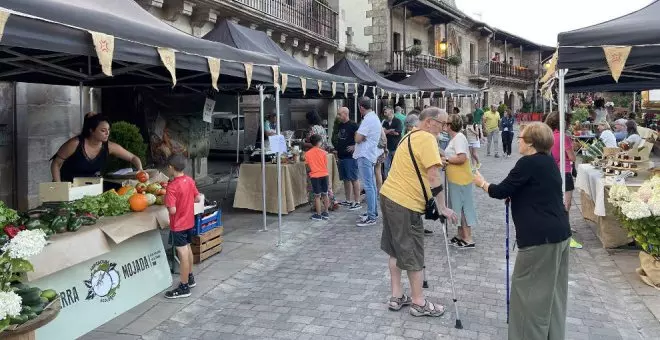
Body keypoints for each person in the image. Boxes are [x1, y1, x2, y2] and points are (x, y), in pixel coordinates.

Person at [473, 122, 571, 340]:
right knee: (553, 295)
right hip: (560, 234)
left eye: (521, 137)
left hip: (540, 240)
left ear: (530, 143)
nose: (517, 140)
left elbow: (500, 190)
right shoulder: (548, 162)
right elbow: (536, 191)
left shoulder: (527, 163)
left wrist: (481, 183)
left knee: (528, 296)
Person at [380, 107, 457, 317]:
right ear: (430, 122)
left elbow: (418, 164)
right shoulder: (427, 139)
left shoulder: (409, 136)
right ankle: (418, 302)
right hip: (405, 202)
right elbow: (433, 177)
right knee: (413, 251)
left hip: (389, 195)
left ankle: (397, 296)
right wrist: (442, 207)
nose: (444, 129)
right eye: (442, 124)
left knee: (395, 249)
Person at [51, 114, 143, 182]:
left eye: (108, 130)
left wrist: (140, 171)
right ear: (91, 130)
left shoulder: (110, 146)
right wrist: (59, 186)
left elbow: (133, 157)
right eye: (103, 130)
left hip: (91, 187)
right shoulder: (75, 143)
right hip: (68, 185)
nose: (107, 133)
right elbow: (56, 163)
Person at [164, 154, 203, 299]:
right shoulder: (189, 180)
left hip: (178, 225)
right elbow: (197, 197)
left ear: (170, 168)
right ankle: (190, 277)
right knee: (187, 249)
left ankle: (184, 286)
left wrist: (167, 203)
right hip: (189, 222)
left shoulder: (172, 187)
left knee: (182, 253)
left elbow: (172, 210)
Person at [444, 114, 477, 248]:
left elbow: (462, 158)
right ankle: (460, 234)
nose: (444, 124)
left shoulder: (458, 138)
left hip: (461, 179)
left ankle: (468, 238)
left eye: (446, 123)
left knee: (463, 208)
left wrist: (446, 160)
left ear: (451, 125)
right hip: (455, 179)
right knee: (457, 207)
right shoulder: (454, 139)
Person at [354, 97, 382, 227]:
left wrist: (358, 135)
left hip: (365, 154)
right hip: (369, 154)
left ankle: (371, 216)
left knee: (369, 186)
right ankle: (373, 212)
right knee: (371, 185)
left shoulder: (368, 119)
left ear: (361, 107)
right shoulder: (374, 118)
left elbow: (358, 138)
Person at [545, 112, 577, 215]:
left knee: (554, 201)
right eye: (568, 122)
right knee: (566, 204)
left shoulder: (548, 136)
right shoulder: (564, 137)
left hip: (552, 172)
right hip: (565, 171)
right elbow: (573, 158)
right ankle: (565, 226)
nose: (569, 124)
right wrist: (572, 148)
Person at [334, 107, 361, 211]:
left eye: (339, 114)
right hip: (342, 156)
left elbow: (362, 138)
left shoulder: (353, 125)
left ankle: (357, 201)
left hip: (351, 157)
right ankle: (348, 200)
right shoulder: (341, 125)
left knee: (354, 178)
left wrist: (355, 146)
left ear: (345, 114)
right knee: (346, 179)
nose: (338, 116)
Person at [305, 135, 330, 221]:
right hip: (324, 174)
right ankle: (326, 212)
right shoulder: (324, 152)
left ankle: (318, 214)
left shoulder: (307, 154)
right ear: (319, 142)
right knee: (325, 194)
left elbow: (308, 166)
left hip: (315, 176)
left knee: (317, 196)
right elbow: (326, 164)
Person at [382, 107, 403, 179]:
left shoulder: (398, 121)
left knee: (396, 165)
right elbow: (383, 132)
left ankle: (397, 180)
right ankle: (387, 181)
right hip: (386, 147)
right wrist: (391, 131)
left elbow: (397, 132)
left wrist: (387, 131)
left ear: (392, 113)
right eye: (384, 113)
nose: (385, 115)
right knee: (386, 166)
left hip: (395, 147)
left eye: (386, 113)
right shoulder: (385, 122)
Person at [375, 127, 388, 192]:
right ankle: (379, 190)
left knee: (373, 173)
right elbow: (385, 139)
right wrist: (385, 150)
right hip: (380, 151)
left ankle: (374, 190)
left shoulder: (369, 126)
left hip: (373, 152)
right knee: (378, 172)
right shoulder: (380, 127)